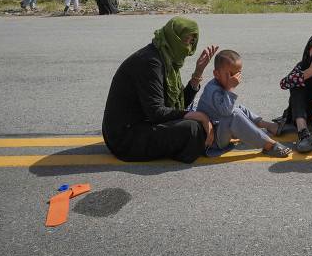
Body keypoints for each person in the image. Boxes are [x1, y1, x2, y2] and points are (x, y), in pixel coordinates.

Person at [102, 17, 218, 163]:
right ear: (173, 38)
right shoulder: (150, 62)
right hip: (125, 138)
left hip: (142, 123)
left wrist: (198, 73)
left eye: (191, 42)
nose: (188, 47)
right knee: (193, 129)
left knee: (199, 119)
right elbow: (156, 112)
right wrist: (200, 116)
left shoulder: (166, 59)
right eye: (185, 40)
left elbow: (178, 105)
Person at [192, 50, 291, 157]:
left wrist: (229, 88)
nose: (235, 78)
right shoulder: (213, 90)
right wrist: (230, 88)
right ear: (216, 74)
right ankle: (269, 145)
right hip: (212, 140)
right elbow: (226, 112)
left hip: (219, 128)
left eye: (237, 73)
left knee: (238, 108)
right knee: (234, 115)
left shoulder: (220, 84)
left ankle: (267, 125)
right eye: (230, 74)